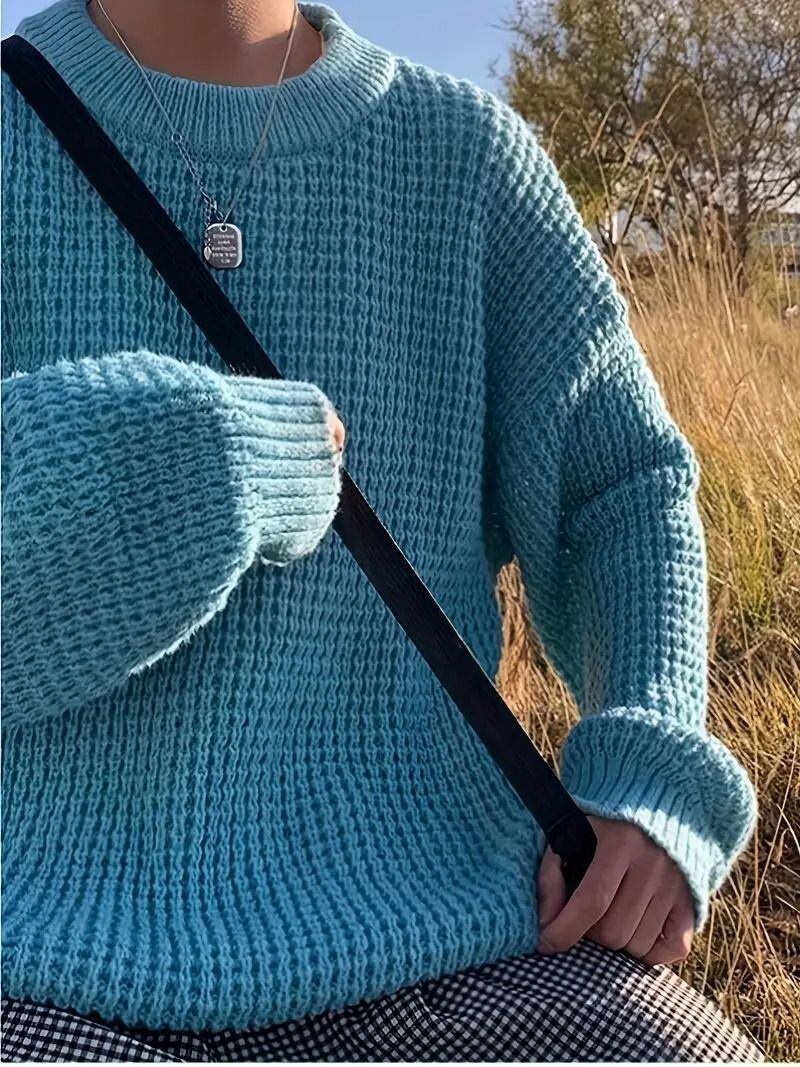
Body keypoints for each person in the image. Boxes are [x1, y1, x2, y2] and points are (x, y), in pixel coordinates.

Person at [0, 0, 763, 1060]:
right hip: (37, 957)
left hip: (452, 937)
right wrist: (198, 467)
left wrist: (647, 757)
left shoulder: (468, 157)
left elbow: (619, 486)